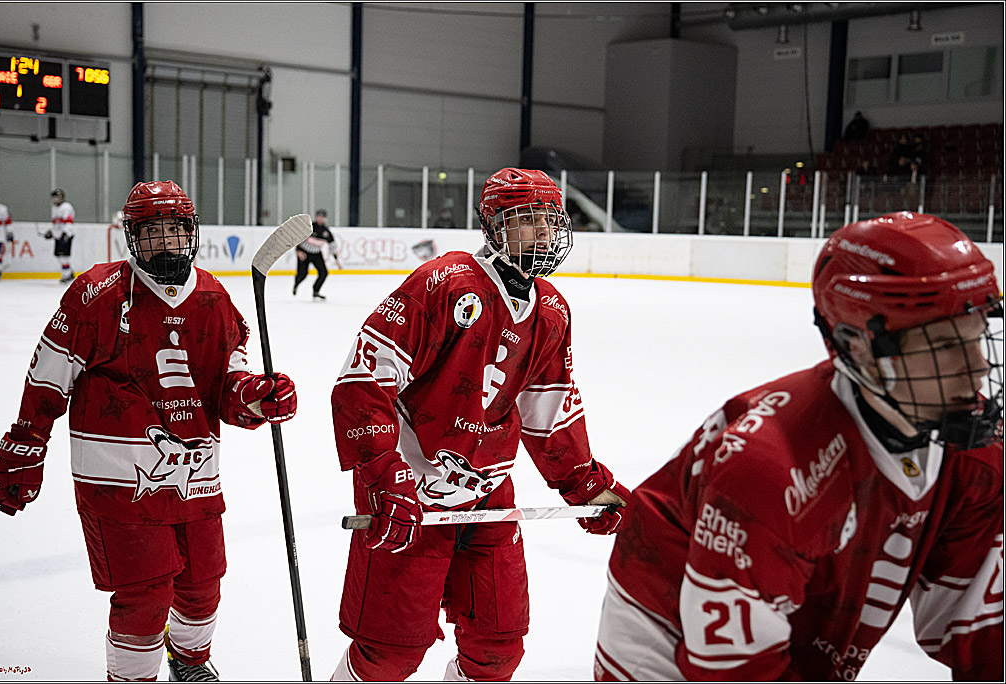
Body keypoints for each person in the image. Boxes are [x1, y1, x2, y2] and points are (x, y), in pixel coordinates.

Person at [593, 212, 1004, 681]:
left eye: (976, 337)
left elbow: (981, 630)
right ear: (860, 345)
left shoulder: (974, 450)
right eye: (944, 347)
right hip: (667, 633)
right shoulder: (771, 469)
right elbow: (730, 668)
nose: (975, 371)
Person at [329, 167, 631, 681]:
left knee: (496, 649)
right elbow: (363, 383)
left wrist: (585, 486)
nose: (542, 233)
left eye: (549, 221)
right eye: (527, 220)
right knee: (389, 653)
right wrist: (383, 475)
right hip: (410, 493)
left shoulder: (552, 310)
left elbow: (550, 414)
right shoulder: (444, 283)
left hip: (491, 496)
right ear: (493, 223)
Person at [0, 180, 299, 682]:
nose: (164, 243)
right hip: (119, 486)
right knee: (145, 596)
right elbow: (48, 376)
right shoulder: (97, 294)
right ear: (132, 237)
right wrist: (24, 445)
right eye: (150, 233)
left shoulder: (216, 300)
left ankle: (190, 660)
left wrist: (257, 398)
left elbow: (228, 386)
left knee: (203, 584)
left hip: (195, 478)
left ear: (190, 234)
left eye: (173, 231)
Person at [293, 208, 337, 300]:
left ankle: (316, 291)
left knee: (324, 272)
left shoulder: (326, 231)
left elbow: (332, 244)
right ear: (316, 217)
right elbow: (298, 239)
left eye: (322, 217)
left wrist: (335, 257)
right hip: (304, 252)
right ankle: (296, 284)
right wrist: (298, 251)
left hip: (316, 254)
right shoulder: (309, 227)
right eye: (319, 216)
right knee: (303, 274)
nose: (320, 218)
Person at [46, 188, 76, 283]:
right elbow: (56, 223)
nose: (55, 199)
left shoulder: (66, 207)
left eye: (57, 197)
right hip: (58, 235)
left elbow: (69, 222)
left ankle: (66, 275)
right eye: (54, 197)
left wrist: (66, 233)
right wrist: (51, 232)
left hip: (66, 234)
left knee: (64, 256)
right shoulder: (54, 208)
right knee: (59, 256)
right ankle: (69, 272)